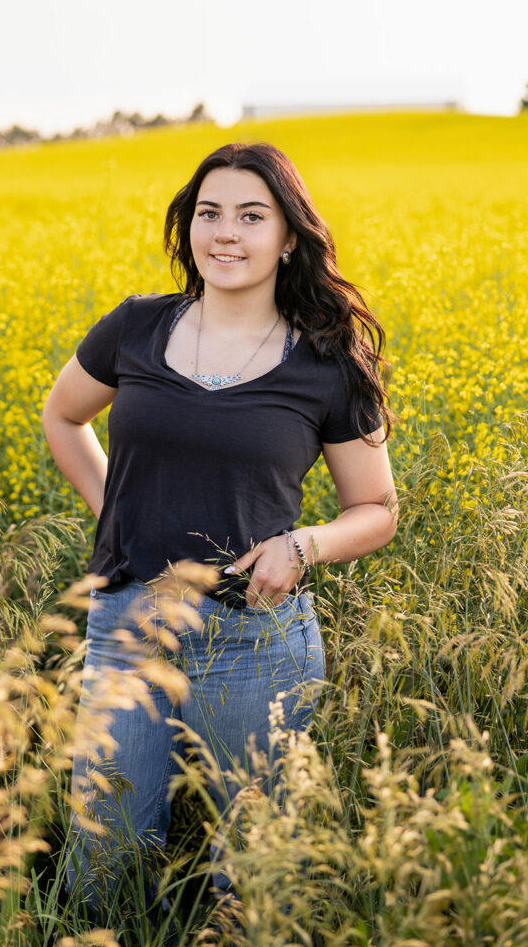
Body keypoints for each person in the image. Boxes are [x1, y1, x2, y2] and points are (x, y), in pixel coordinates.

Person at [42, 141, 398, 931]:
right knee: (104, 868)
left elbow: (375, 507)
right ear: (188, 227)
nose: (225, 233)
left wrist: (302, 546)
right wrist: (116, 515)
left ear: (288, 239)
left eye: (250, 216)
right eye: (208, 213)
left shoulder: (328, 361)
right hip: (126, 624)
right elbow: (63, 415)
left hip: (253, 638)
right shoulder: (136, 327)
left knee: (253, 874)